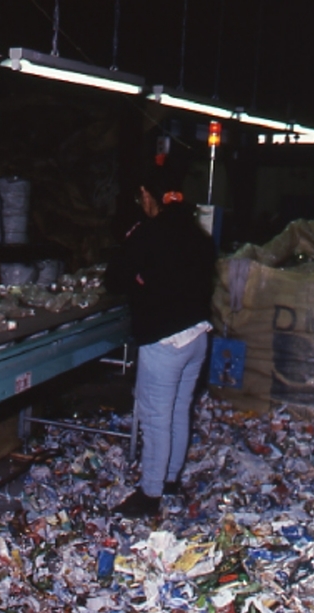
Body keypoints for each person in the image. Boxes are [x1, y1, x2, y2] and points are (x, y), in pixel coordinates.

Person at [107, 163, 217, 517]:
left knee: (156, 417)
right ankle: (169, 480)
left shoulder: (147, 234)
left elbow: (113, 279)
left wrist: (135, 268)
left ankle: (149, 494)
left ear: (147, 195)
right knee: (179, 410)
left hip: (164, 341)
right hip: (197, 337)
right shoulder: (197, 235)